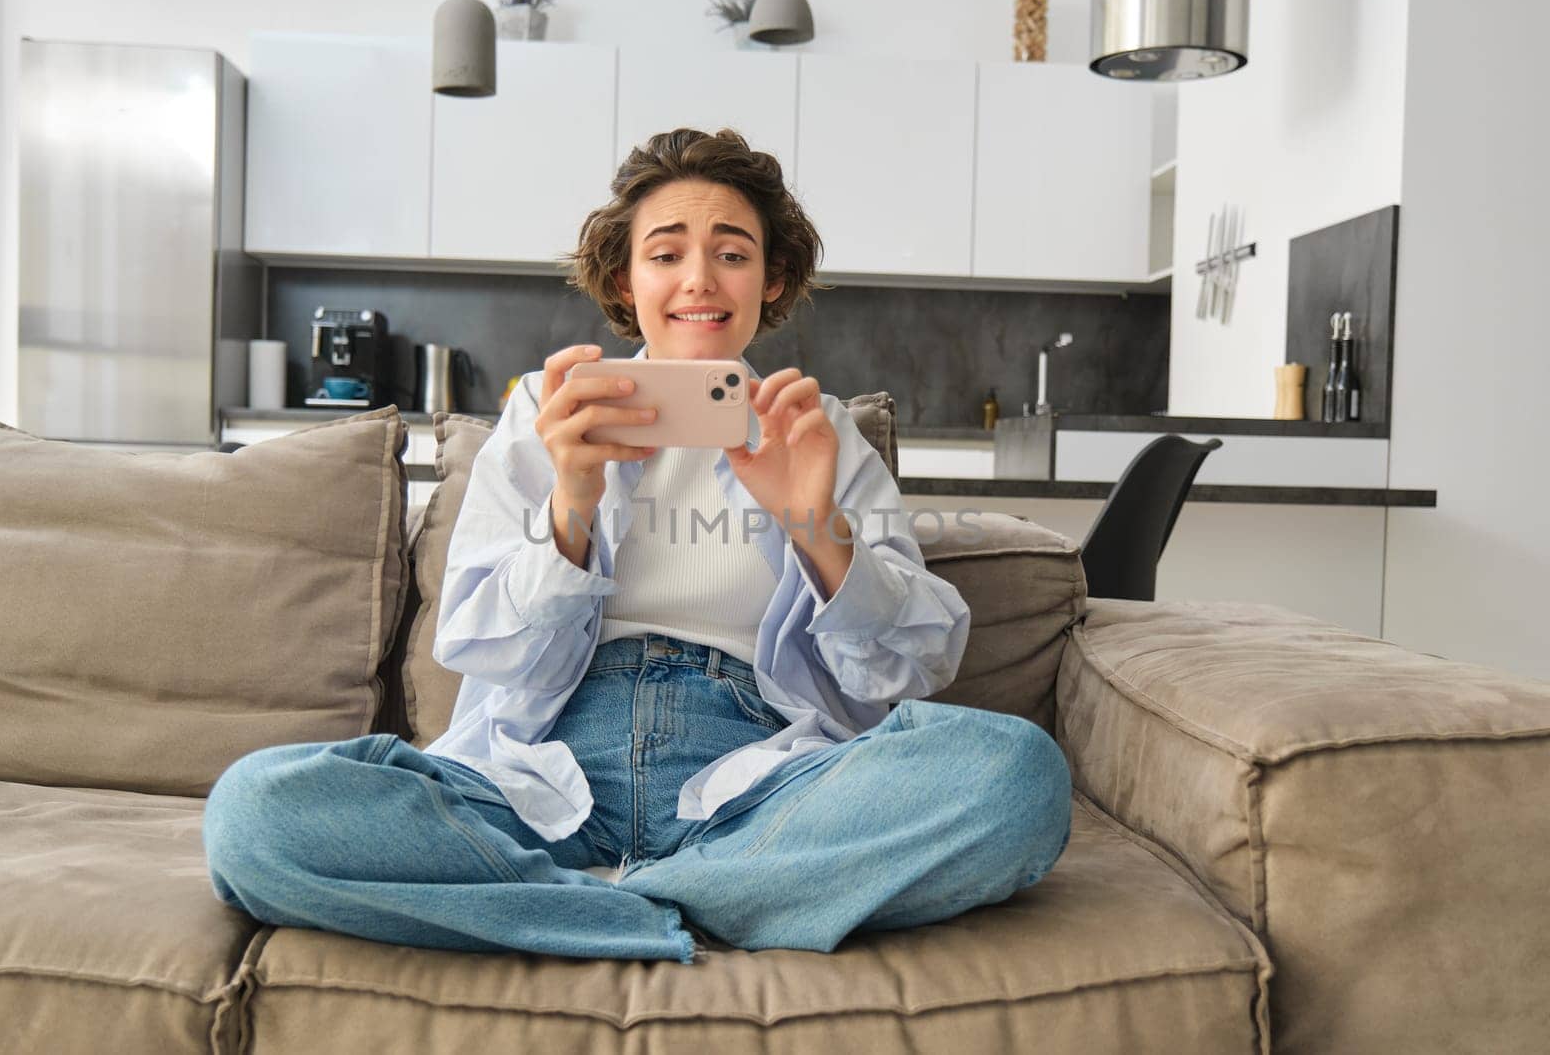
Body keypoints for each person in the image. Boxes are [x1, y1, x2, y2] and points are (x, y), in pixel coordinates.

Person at [202, 128, 1073, 966]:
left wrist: (814, 524)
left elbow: (913, 664)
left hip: (759, 788)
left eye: (733, 251)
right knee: (254, 815)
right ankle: (694, 905)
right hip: (539, 778)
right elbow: (474, 640)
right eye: (667, 253)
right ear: (627, 276)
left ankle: (590, 904)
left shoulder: (818, 429)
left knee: (1018, 778)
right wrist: (572, 505)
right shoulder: (548, 410)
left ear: (771, 279)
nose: (700, 278)